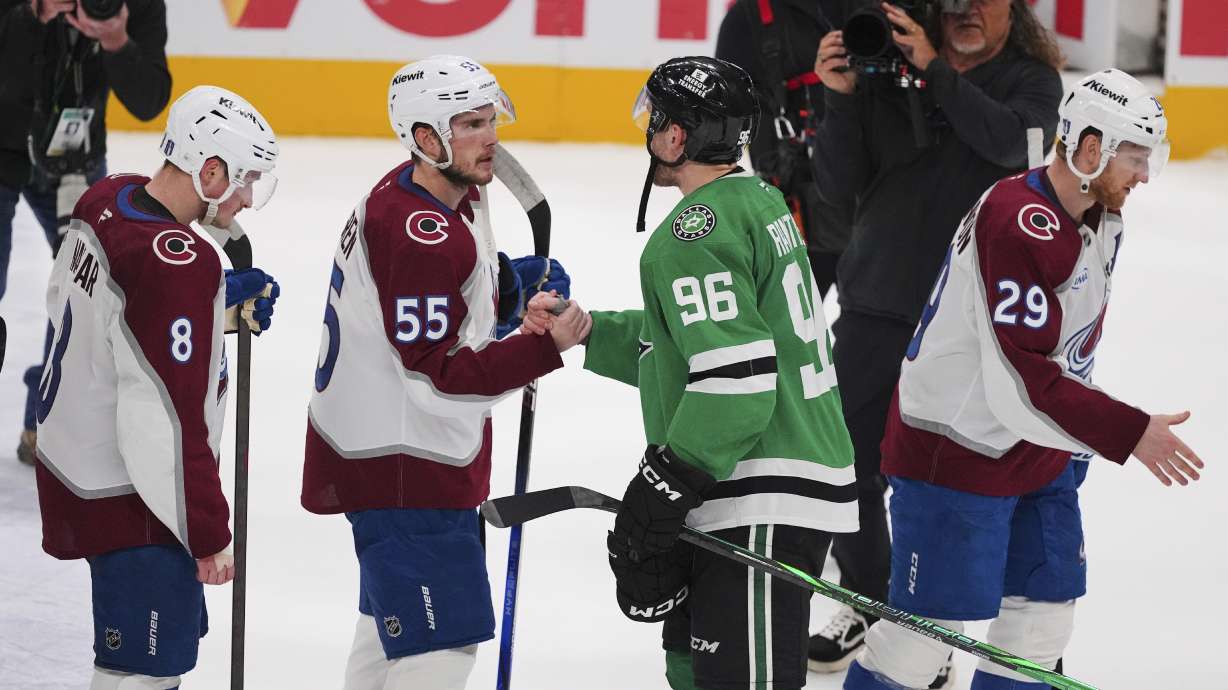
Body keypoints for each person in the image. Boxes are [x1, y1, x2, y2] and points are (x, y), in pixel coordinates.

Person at [844, 68, 1203, 690]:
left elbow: (1067, 354)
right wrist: (1123, 432)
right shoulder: (1016, 221)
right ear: (1091, 149)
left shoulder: (1101, 217)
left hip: (1039, 446)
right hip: (956, 451)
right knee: (923, 641)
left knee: (1040, 627)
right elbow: (1022, 382)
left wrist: (1079, 446)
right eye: (1136, 158)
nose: (1145, 175)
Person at [528, 56, 859, 690]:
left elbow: (738, 379)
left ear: (677, 136)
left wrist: (668, 480)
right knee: (695, 670)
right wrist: (591, 331)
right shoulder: (759, 202)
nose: (650, 131)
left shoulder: (690, 233)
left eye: (656, 120)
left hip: (758, 491)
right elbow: (692, 348)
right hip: (766, 485)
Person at [299, 55, 588, 690]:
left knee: (385, 637)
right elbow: (436, 378)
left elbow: (427, 310)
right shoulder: (421, 233)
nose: (490, 138)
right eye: (471, 125)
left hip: (386, 455)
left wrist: (507, 288)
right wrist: (544, 348)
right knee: (443, 646)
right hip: (408, 471)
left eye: (491, 120)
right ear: (426, 138)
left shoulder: (426, 192)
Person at [807, 1, 1064, 675]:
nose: (968, 9)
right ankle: (875, 601)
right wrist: (838, 103)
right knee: (841, 472)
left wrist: (935, 74)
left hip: (972, 326)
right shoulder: (886, 74)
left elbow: (1015, 146)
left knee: (946, 482)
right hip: (876, 306)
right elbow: (834, 198)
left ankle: (931, 630)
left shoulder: (1030, 82)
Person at [33, 84, 281, 690]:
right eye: (243, 180)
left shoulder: (108, 197)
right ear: (210, 170)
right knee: (144, 676)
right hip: (139, 500)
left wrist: (209, 311)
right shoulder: (179, 262)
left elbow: (105, 319)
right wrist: (207, 529)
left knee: (132, 669)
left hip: (79, 466)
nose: (247, 199)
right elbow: (165, 418)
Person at [0, 0, 171, 465]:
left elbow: (151, 98)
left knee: (87, 296)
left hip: (75, 156)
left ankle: (46, 420)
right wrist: (36, 14)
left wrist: (117, 41)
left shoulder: (138, 6)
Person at [715, 0, 853, 298]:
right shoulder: (747, 19)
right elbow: (721, 128)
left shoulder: (877, 10)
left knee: (880, 341)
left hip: (882, 211)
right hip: (795, 217)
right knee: (780, 339)